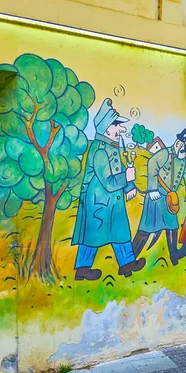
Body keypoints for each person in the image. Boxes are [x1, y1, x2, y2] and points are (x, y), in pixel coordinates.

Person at [71, 98, 145, 281]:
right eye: (116, 125)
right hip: (98, 202)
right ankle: (82, 269)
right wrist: (127, 178)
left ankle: (127, 264)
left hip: (113, 201)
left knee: (120, 230)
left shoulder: (112, 147)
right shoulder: (100, 151)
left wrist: (129, 185)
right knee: (92, 235)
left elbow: (119, 169)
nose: (121, 130)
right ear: (106, 128)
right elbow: (108, 182)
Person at [132, 128, 186, 266]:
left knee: (172, 226)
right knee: (146, 228)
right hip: (156, 196)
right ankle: (130, 259)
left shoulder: (185, 160)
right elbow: (152, 164)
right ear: (178, 143)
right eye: (183, 149)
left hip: (170, 199)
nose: (184, 153)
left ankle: (173, 254)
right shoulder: (165, 154)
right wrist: (152, 188)